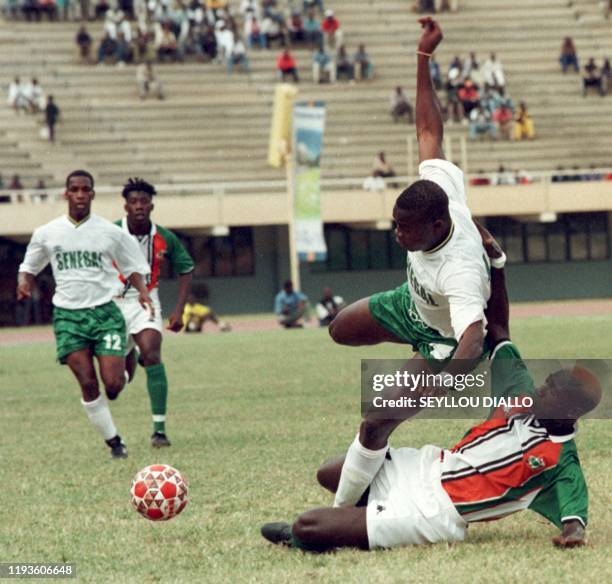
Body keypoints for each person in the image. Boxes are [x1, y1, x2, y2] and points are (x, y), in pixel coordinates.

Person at [260, 245, 600, 552]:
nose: (541, 388)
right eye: (547, 381)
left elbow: (574, 517)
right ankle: (362, 516)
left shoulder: (562, 462)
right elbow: (498, 329)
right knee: (329, 472)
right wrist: (497, 262)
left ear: (571, 410)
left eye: (552, 389)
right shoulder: (521, 394)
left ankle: (320, 532)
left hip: (437, 511)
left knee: (307, 526)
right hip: (429, 465)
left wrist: (572, 535)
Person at [329, 18, 492, 373]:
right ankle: (416, 348)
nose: (398, 234)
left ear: (436, 226)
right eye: (396, 225)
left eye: (406, 229)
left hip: (447, 335)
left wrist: (450, 379)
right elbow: (428, 129)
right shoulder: (439, 187)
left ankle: (427, 357)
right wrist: (423, 55)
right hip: (410, 304)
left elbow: (474, 336)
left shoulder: (459, 269)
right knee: (339, 329)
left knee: (376, 419)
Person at [17, 170, 152, 459]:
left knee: (113, 385)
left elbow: (133, 267)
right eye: (74, 189)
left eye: (85, 189)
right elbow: (29, 265)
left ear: (92, 194)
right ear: (66, 194)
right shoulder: (47, 233)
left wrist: (142, 291)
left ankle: (129, 359)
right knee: (88, 382)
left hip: (105, 313)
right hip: (68, 317)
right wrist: (24, 282)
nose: (80, 194)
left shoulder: (110, 232)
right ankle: (114, 442)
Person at [115, 178, 194, 448]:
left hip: (145, 301)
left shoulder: (164, 237)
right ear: (125, 206)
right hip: (111, 304)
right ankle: (129, 355)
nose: (139, 206)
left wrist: (179, 311)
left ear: (152, 205)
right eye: (134, 201)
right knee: (115, 386)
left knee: (153, 354)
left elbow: (186, 268)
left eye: (144, 201)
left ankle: (159, 431)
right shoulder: (111, 231)